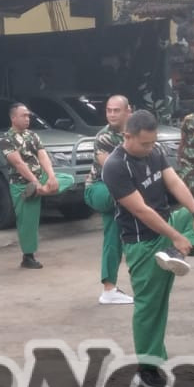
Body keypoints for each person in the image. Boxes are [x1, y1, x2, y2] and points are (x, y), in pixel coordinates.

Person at [103, 110, 194, 387]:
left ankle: (174, 253)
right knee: (151, 306)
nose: (149, 149)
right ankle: (148, 368)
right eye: (144, 144)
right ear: (127, 136)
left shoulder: (154, 151)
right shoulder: (115, 166)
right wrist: (176, 237)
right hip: (142, 242)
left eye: (152, 143)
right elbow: (140, 210)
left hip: (168, 226)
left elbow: (174, 182)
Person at [1, 102, 73, 269]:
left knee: (68, 179)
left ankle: (39, 191)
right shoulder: (6, 139)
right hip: (22, 183)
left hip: (40, 179)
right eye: (23, 116)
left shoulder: (32, 136)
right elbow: (18, 164)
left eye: (28, 115)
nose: (27, 119)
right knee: (28, 222)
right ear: (13, 118)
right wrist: (34, 182)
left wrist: (52, 177)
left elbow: (43, 156)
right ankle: (28, 257)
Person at [83, 95, 134, 305]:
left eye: (116, 110)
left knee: (114, 234)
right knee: (130, 205)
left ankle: (109, 289)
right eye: (109, 110)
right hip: (98, 189)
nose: (112, 114)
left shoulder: (135, 132)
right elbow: (113, 171)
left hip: (120, 192)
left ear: (127, 111)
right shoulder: (104, 137)